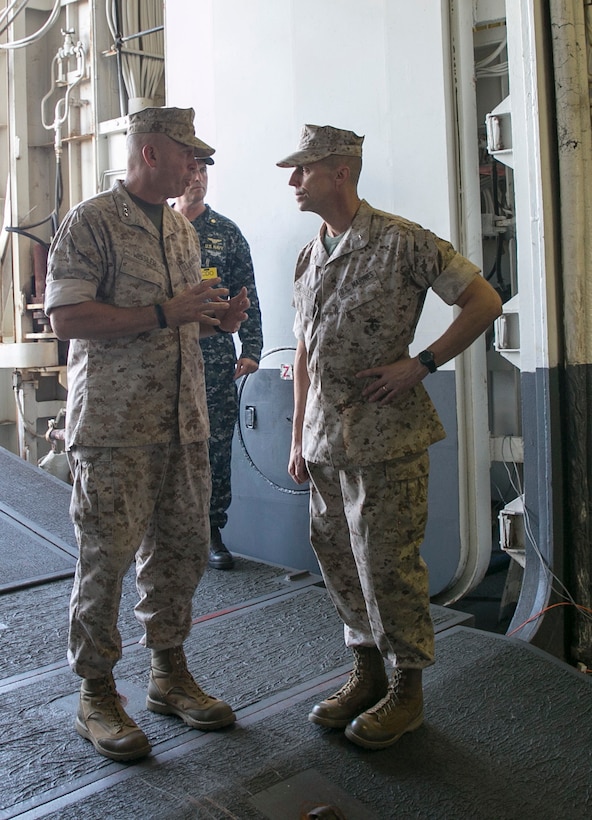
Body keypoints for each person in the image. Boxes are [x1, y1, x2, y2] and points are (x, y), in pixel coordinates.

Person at [278, 124, 502, 750]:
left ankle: (408, 690)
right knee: (341, 562)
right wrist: (297, 436)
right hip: (324, 440)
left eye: (304, 170)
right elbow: (303, 351)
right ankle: (367, 672)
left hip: (386, 437)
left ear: (341, 172)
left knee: (388, 565)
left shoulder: (403, 242)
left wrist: (423, 363)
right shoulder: (310, 253)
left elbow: (484, 301)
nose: (293, 182)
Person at [44, 107, 250, 763]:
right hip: (115, 427)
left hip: (183, 425)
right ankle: (97, 694)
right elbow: (67, 318)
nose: (197, 167)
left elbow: (183, 320)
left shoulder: (184, 233)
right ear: (152, 152)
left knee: (181, 553)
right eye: (189, 154)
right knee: (105, 560)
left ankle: (169, 675)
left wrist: (216, 322)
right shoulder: (91, 222)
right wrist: (165, 311)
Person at [174, 159, 263, 570]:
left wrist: (251, 349)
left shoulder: (226, 233)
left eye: (203, 172)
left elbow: (248, 295)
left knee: (214, 446)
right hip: (164, 359)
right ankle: (170, 535)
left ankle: (212, 532)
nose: (198, 179)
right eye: (190, 171)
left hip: (213, 358)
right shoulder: (159, 231)